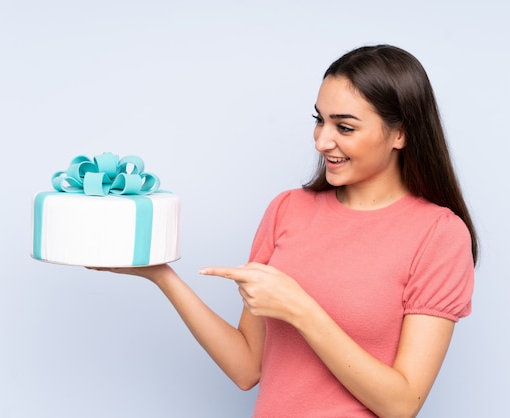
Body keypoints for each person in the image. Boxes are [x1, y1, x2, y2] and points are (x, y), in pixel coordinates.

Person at [93, 44, 477, 418]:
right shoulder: (288, 210)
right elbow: (247, 368)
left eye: (344, 126)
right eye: (319, 120)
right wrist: (161, 276)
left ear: (401, 134)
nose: (322, 140)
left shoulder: (439, 234)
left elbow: (402, 405)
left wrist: (300, 309)